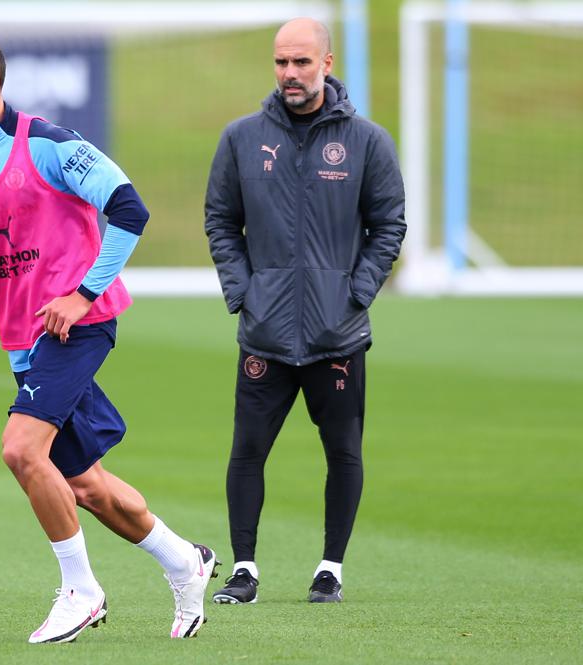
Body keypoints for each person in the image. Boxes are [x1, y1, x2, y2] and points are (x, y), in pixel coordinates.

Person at [0, 33, 218, 642]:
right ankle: (186, 561)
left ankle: (81, 592)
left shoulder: (50, 145)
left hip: (77, 325)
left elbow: (130, 210)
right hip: (25, 340)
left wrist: (83, 295)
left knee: (22, 451)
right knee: (86, 486)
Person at [204, 18, 406, 605]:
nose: (289, 74)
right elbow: (220, 219)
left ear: (327, 63)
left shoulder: (368, 142)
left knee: (343, 453)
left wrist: (356, 292)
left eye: (301, 62)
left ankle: (330, 569)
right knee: (246, 452)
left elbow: (388, 224)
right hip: (264, 332)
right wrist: (244, 291)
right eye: (280, 63)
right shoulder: (241, 138)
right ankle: (244, 570)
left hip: (336, 334)